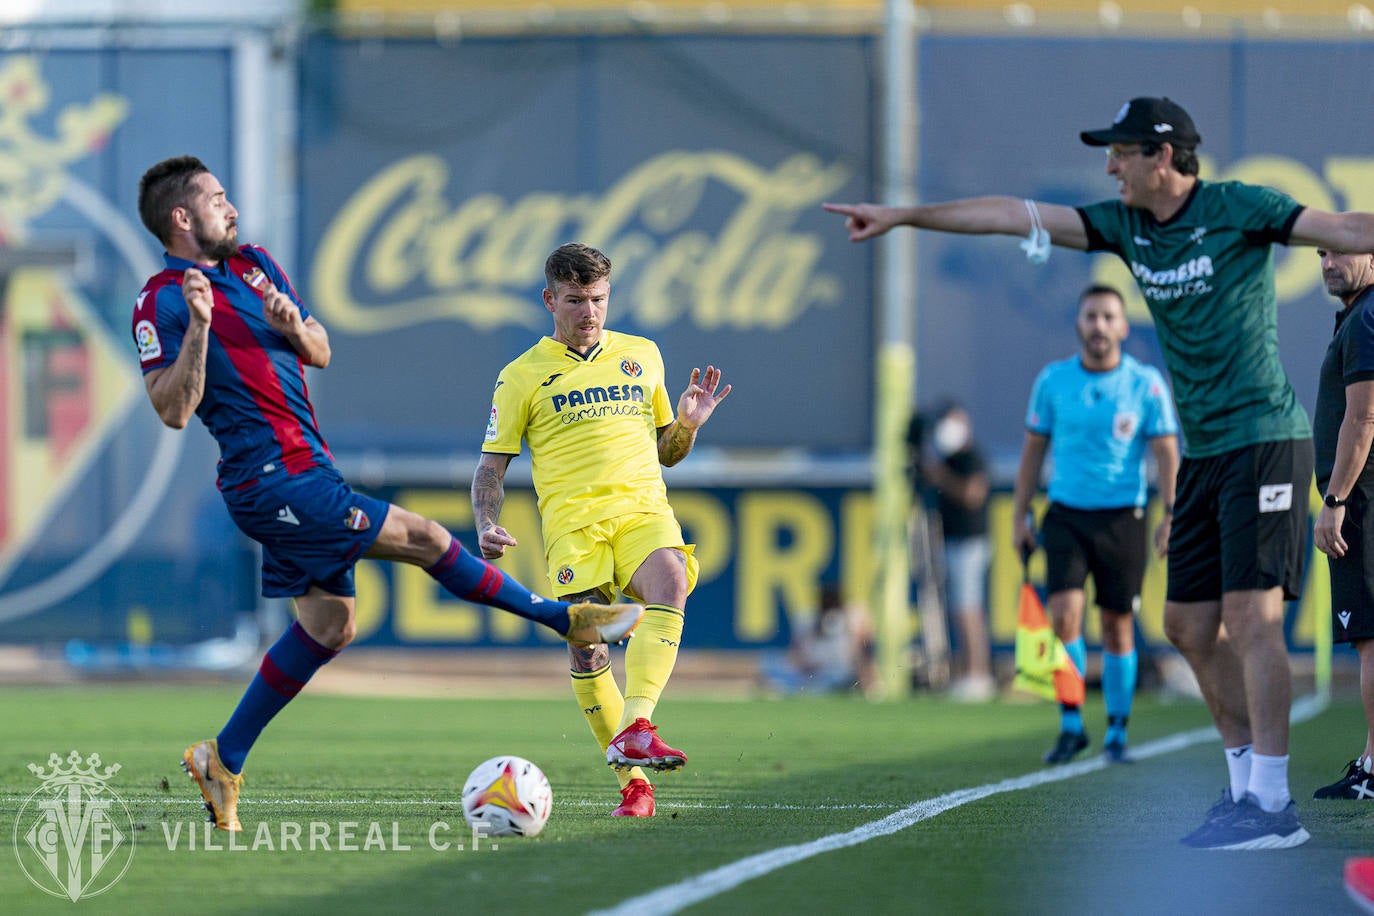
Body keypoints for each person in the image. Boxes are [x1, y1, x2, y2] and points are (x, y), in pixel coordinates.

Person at [822, 95, 1374, 848]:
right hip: (1206, 450)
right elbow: (1011, 217)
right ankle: (1246, 786)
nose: (1109, 166)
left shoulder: (1238, 207)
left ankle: (1273, 808)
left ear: (1163, 157)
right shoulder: (1125, 226)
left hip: (1265, 441)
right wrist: (904, 215)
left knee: (1251, 619)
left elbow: (1348, 231)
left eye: (1120, 153)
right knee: (1183, 625)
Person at [132, 158, 643, 832]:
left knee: (329, 627)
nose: (231, 208)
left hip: (309, 468)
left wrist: (293, 326)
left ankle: (222, 758)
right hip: (268, 480)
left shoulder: (255, 264)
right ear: (181, 218)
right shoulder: (162, 300)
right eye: (217, 199)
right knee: (428, 538)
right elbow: (172, 408)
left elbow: (319, 349)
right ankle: (564, 620)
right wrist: (198, 327)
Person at [472, 242, 730, 817]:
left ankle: (637, 723)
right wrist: (487, 522)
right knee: (589, 652)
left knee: (670, 579)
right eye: (575, 300)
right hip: (573, 528)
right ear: (550, 300)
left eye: (598, 299)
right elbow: (492, 465)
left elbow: (669, 453)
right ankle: (635, 787)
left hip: (642, 511)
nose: (589, 312)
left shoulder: (643, 356)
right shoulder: (520, 377)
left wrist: (687, 424)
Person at [1011, 284, 1179, 766]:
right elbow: (1033, 451)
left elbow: (1167, 452)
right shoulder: (1053, 381)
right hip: (1065, 513)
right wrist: (1020, 513)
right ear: (1078, 325)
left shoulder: (1145, 384)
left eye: (1108, 317)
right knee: (1064, 616)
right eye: (1091, 316)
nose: (1099, 326)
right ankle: (1070, 725)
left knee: (1116, 626)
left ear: (1123, 327)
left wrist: (1171, 513)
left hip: (1123, 517)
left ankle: (1118, 732)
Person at [1311, 247, 1374, 800]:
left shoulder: (1368, 316)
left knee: (1371, 638)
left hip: (1364, 499)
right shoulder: (1361, 314)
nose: (1329, 261)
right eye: (1322, 252)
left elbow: (1363, 416)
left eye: (1343, 250)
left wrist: (1336, 499)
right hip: (1364, 495)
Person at [911, 402, 995, 700]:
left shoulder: (971, 457)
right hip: (952, 540)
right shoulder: (947, 458)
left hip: (969, 542)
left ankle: (978, 674)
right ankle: (967, 673)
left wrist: (941, 476)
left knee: (968, 610)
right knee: (958, 610)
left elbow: (973, 494)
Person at [760, 582, 877, 696]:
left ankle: (791, 689)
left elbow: (860, 652)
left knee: (833, 677)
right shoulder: (806, 619)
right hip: (807, 671)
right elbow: (797, 654)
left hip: (834, 674)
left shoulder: (849, 619)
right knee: (775, 664)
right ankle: (782, 687)